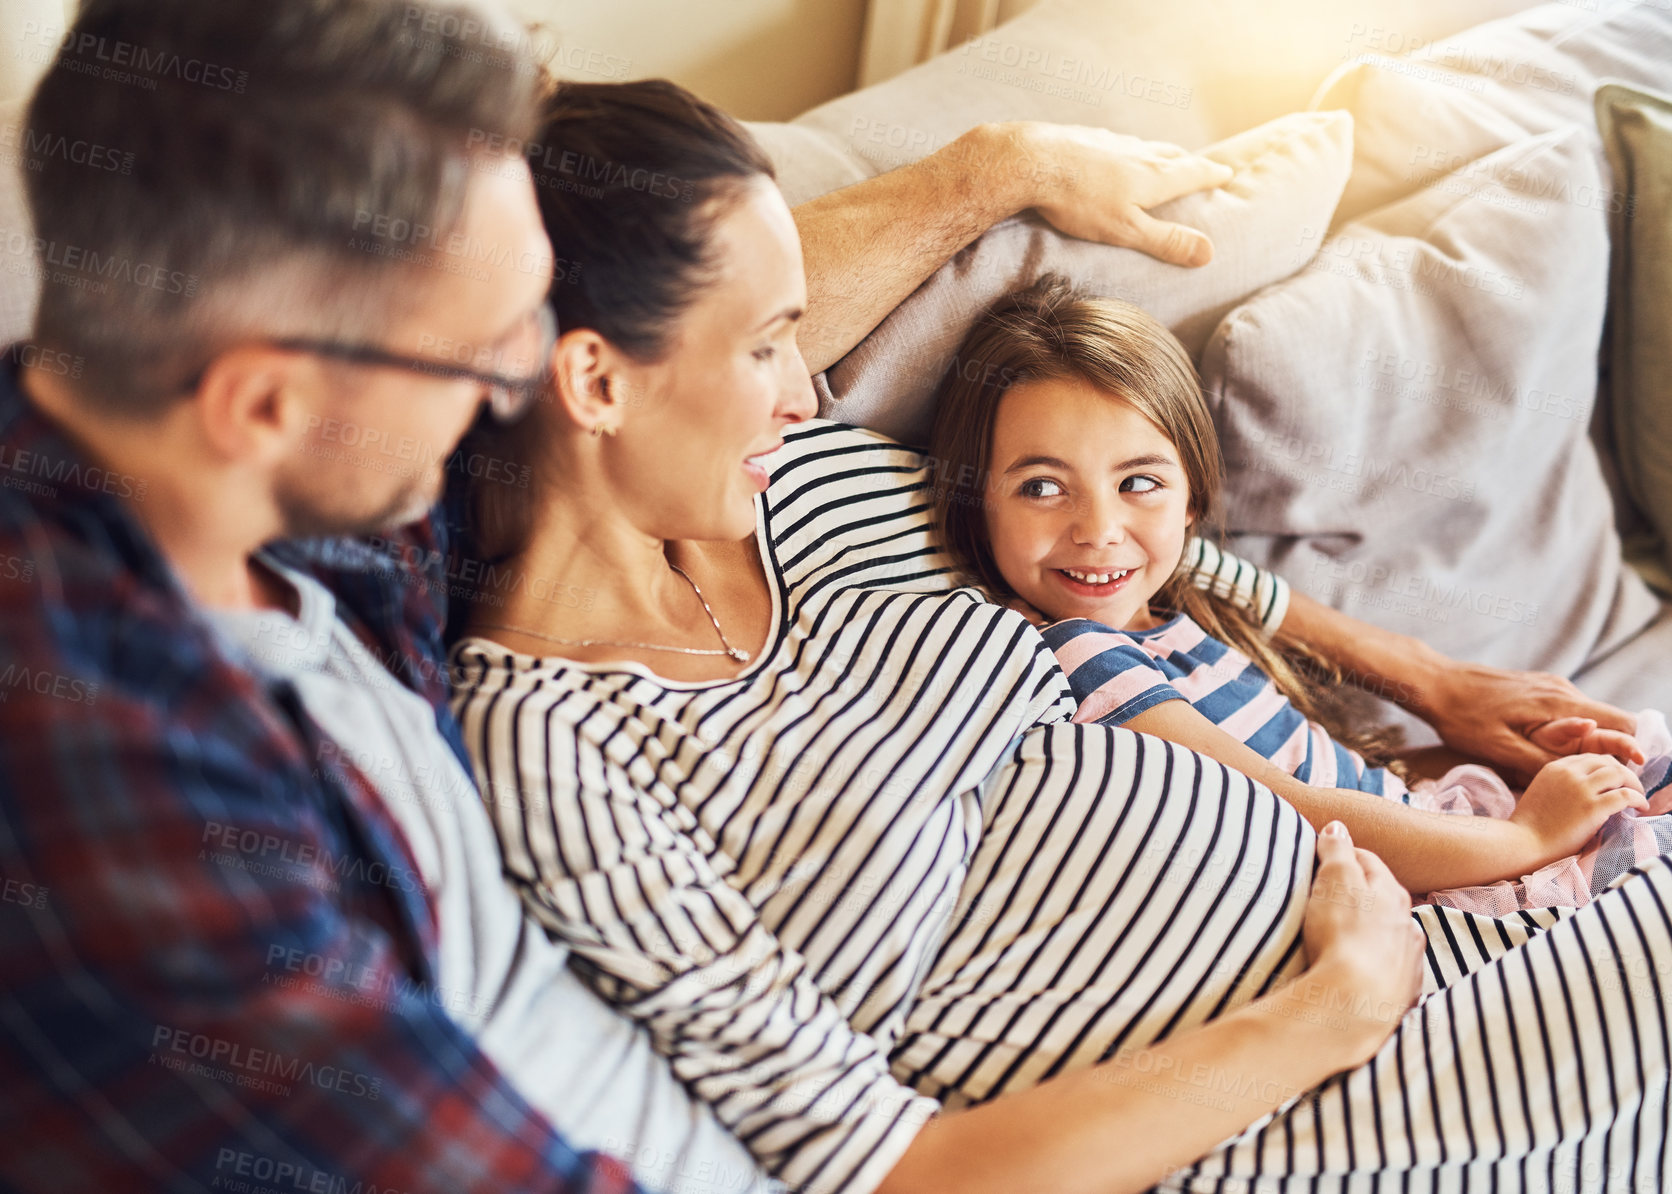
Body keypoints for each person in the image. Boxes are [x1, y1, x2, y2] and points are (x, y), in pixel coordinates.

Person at [0, 4, 1434, 1194]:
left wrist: (985, 172)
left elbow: (658, 353)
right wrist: (1329, 1015)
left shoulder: (253, 466)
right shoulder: (146, 846)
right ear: (265, 399)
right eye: (490, 346)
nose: (530, 385)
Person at [450, 78, 1672, 1194]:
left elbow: (1118, 543)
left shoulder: (797, 485)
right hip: (1341, 1098)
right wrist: (1337, 1008)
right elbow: (891, 1176)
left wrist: (1427, 678)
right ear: (597, 385)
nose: (803, 381)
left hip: (1484, 928)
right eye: (768, 346)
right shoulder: (551, 749)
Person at [924, 277, 1672, 914]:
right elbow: (1291, 812)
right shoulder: (1082, 653)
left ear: (1190, 500)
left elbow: (1344, 778)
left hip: (1448, 825)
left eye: (1140, 482)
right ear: (974, 500)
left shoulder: (1182, 619)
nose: (1099, 530)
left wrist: (1518, 778)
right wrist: (1530, 837)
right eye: (1042, 487)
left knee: (1651, 758)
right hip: (1431, 891)